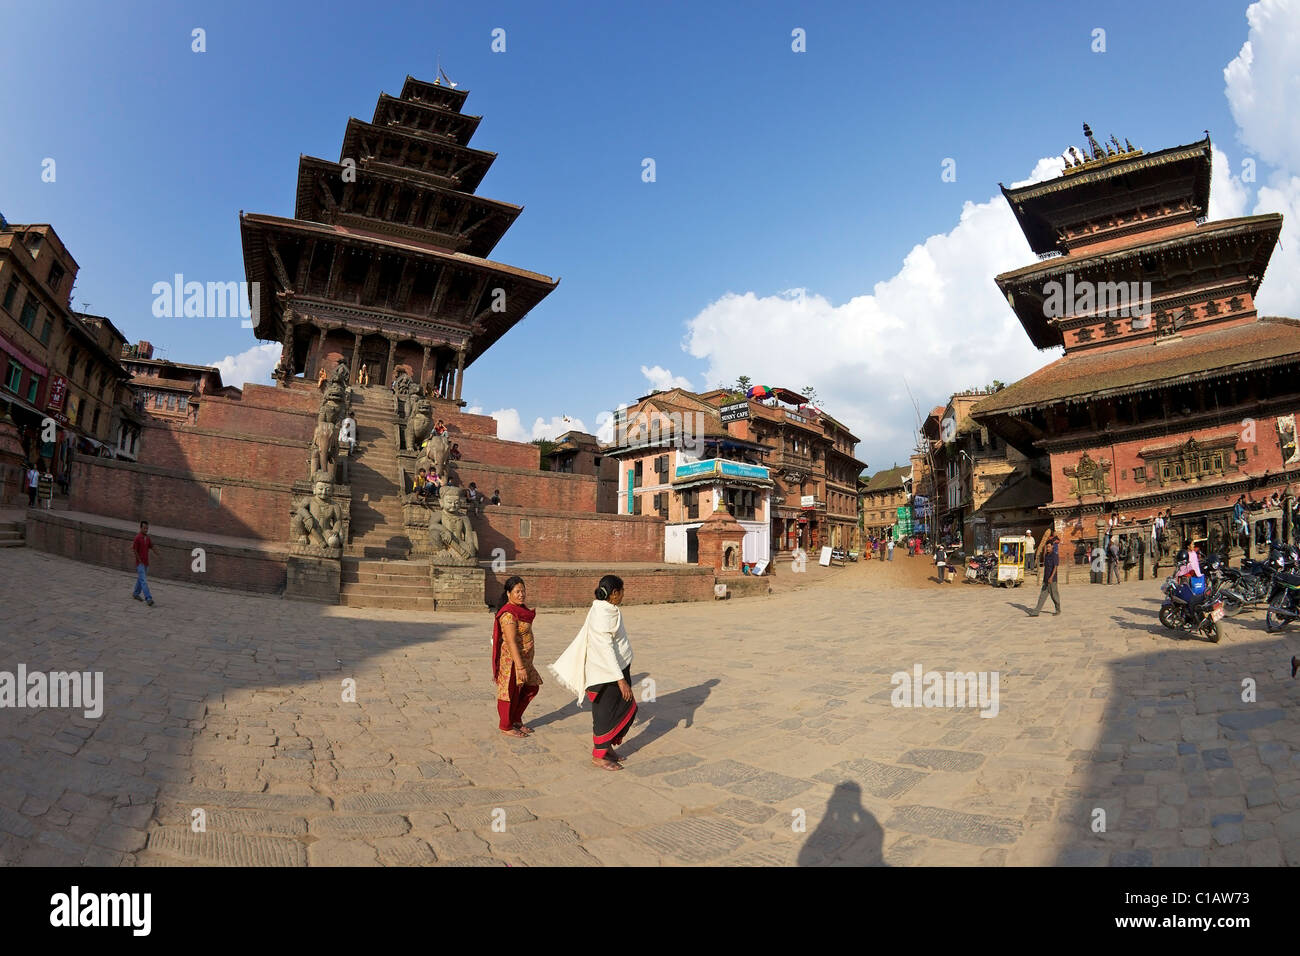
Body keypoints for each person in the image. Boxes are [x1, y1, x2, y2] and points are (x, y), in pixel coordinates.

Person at [549, 574, 636, 771]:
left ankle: (607, 748)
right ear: (614, 593)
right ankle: (598, 755)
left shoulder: (608, 609)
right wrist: (620, 679)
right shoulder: (602, 614)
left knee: (623, 707)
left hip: (617, 669)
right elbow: (605, 649)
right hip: (606, 674)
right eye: (622, 591)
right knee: (607, 713)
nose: (623, 595)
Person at [492, 576, 542, 738]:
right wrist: (519, 667)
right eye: (517, 591)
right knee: (509, 691)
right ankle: (506, 725)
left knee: (531, 687)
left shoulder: (521, 610)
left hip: (525, 660)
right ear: (508, 594)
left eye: (523, 591)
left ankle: (515, 719)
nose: (521, 594)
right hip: (512, 661)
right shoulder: (508, 615)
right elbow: (511, 641)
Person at [1027, 529, 1061, 617]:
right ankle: (1036, 612)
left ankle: (1058, 609)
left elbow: (1055, 567)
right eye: (1047, 547)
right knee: (1042, 596)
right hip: (1046, 579)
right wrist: (1045, 578)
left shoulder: (1055, 555)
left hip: (1052, 580)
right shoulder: (1046, 555)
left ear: (1052, 547)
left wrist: (1051, 577)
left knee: (1054, 596)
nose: (1048, 548)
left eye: (1049, 547)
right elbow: (1046, 568)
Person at [131, 520, 156, 607]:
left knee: (140, 579)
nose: (146, 530)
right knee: (144, 581)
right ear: (141, 528)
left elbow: (152, 546)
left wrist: (158, 554)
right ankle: (148, 598)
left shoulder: (147, 538)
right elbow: (134, 549)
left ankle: (135, 593)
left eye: (147, 528)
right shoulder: (137, 538)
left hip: (146, 563)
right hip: (140, 563)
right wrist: (139, 560)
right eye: (144, 528)